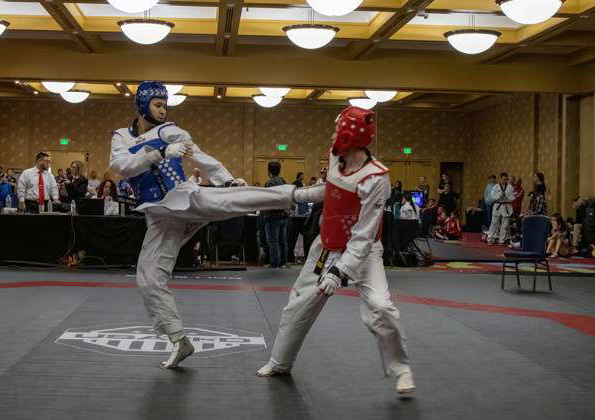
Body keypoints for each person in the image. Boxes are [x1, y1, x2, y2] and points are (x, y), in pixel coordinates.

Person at [109, 81, 298, 370]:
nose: (163, 110)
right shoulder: (121, 136)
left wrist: (227, 179)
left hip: (184, 198)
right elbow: (122, 166)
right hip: (160, 214)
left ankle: (298, 193)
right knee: (148, 278)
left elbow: (201, 157)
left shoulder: (172, 130)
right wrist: (159, 152)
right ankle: (178, 340)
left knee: (233, 200)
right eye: (157, 104)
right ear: (142, 105)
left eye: (165, 104)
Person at [256, 106, 415, 399]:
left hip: (364, 253)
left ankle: (401, 368)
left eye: (336, 129)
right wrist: (300, 194)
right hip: (325, 246)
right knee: (298, 305)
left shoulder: (375, 178)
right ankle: (280, 362)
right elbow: (331, 191)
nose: (332, 135)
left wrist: (339, 272)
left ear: (349, 135)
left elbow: (365, 234)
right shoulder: (335, 156)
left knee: (381, 307)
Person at [264, 161, 289, 269]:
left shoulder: (269, 183)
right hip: (283, 216)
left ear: (269, 170)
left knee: (273, 242)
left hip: (272, 216)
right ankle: (283, 262)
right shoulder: (283, 181)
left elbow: (269, 200)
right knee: (283, 241)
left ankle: (274, 263)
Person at [487, 172, 514, 244]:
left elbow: (513, 198)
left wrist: (507, 197)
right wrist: (499, 195)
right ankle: (490, 238)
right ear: (500, 179)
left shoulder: (510, 187)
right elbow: (492, 197)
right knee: (494, 222)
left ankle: (502, 239)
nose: (505, 181)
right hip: (497, 205)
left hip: (506, 205)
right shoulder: (495, 187)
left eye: (506, 179)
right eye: (503, 179)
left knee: (505, 224)